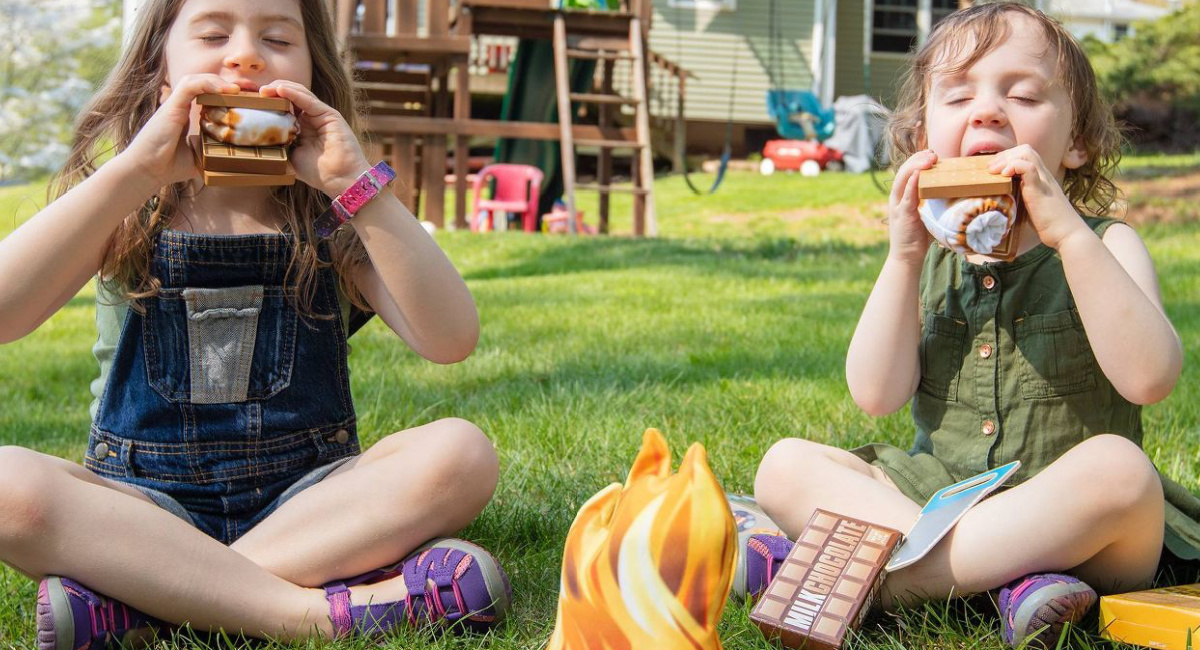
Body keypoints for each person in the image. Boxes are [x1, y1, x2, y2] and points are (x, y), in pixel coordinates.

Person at [0, 0, 512, 646]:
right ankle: (319, 616)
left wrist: (356, 185)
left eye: (277, 36)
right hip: (145, 512)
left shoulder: (334, 219)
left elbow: (451, 337)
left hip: (311, 508)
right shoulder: (130, 208)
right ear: (162, 76)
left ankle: (148, 602)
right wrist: (135, 171)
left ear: (313, 79)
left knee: (462, 454)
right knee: (6, 487)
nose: (245, 54)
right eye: (214, 34)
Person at [746, 3, 1199, 647]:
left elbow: (1150, 378)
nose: (987, 110)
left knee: (1122, 472)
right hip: (934, 500)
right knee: (784, 465)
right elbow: (876, 395)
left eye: (1022, 94)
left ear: (1077, 143)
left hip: (1074, 523)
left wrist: (1066, 232)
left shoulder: (1106, 244)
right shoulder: (925, 259)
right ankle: (1004, 584)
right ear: (921, 139)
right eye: (958, 95)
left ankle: (847, 576)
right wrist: (903, 258)